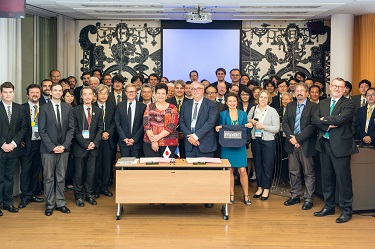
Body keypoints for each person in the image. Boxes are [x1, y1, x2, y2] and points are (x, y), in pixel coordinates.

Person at [312, 77, 358, 223]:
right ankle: (329, 206)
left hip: (340, 147)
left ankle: (346, 210)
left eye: (341, 86)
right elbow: (314, 120)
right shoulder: (323, 103)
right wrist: (327, 123)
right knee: (327, 178)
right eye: (335, 86)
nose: (338, 89)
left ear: (345, 89)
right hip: (324, 144)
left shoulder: (349, 103)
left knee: (343, 179)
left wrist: (324, 119)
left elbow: (341, 119)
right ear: (330, 87)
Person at [180, 81, 218, 208]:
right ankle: (190, 195)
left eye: (198, 88)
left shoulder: (211, 105)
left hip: (205, 143)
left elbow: (210, 123)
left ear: (203, 90)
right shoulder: (185, 105)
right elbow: (182, 123)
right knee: (190, 172)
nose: (195, 91)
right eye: (193, 89)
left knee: (206, 173)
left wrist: (195, 136)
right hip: (190, 144)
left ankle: (208, 197)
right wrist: (189, 137)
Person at [39, 83, 75, 216]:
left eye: (60, 90)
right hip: (48, 150)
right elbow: (42, 130)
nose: (58, 92)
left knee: (61, 177)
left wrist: (64, 145)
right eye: (55, 90)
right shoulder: (44, 108)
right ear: (50, 92)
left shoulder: (67, 108)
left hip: (64, 149)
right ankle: (49, 204)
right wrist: (52, 147)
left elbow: (71, 129)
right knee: (48, 178)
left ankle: (60, 203)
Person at [282, 83, 318, 210]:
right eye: (297, 90)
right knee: (293, 171)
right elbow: (285, 123)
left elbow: (313, 125)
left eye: (302, 90)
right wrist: (292, 138)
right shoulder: (290, 105)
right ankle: (295, 195)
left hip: (306, 144)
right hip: (292, 144)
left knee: (308, 172)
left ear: (307, 92)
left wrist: (298, 138)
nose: (299, 93)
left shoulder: (313, 106)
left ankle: (309, 198)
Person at [216, 93, 253, 205]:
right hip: (227, 146)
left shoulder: (243, 114)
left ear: (237, 102)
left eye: (234, 101)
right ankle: (231, 194)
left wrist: (249, 127)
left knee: (242, 171)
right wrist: (218, 128)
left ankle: (246, 195)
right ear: (226, 103)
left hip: (239, 146)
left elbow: (245, 131)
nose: (232, 103)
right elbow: (220, 129)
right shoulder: (222, 114)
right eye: (230, 101)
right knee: (229, 170)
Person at [72, 87, 103, 207]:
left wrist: (94, 143)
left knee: (91, 173)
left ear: (94, 96)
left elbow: (100, 128)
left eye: (90, 94)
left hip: (93, 147)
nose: (87, 97)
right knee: (79, 174)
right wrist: (85, 144)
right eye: (85, 94)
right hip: (80, 147)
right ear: (81, 96)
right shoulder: (75, 110)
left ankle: (89, 195)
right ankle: (78, 196)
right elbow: (74, 130)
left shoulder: (98, 110)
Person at [0, 82, 27, 216]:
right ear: (1, 93)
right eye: (5, 92)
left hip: (14, 150)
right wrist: (3, 144)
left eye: (10, 92)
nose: (8, 94)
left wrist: (14, 144)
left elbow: (23, 128)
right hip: (0, 149)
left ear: (13, 93)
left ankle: (8, 203)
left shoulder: (19, 108)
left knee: (9, 178)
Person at [248, 89, 280, 201]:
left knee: (267, 165)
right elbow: (248, 121)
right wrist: (251, 122)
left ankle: (266, 189)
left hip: (268, 141)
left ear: (269, 99)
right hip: (255, 140)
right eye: (261, 97)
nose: (263, 99)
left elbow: (276, 128)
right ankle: (260, 187)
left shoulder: (272, 111)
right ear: (258, 98)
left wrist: (264, 127)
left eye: (265, 97)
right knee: (258, 164)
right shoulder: (253, 109)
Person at [19, 84, 44, 209]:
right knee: (26, 171)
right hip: (26, 144)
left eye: (37, 92)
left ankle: (33, 193)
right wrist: (20, 141)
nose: (35, 94)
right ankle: (24, 196)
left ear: (40, 94)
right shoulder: (21, 108)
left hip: (41, 144)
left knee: (36, 170)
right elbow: (16, 126)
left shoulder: (44, 108)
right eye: (32, 92)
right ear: (27, 94)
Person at [93, 84, 116, 198]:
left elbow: (114, 122)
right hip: (96, 140)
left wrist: (108, 133)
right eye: (101, 93)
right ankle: (96, 188)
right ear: (96, 95)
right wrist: (99, 134)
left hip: (108, 139)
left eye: (105, 93)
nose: (103, 96)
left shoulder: (112, 106)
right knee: (96, 165)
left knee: (107, 164)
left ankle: (104, 187)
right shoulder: (92, 106)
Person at [143, 84, 179, 157]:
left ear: (166, 95)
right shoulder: (150, 107)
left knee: (166, 167)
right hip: (150, 143)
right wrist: (153, 140)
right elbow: (146, 124)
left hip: (169, 143)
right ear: (155, 94)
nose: (160, 96)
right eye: (158, 93)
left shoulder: (172, 108)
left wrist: (157, 138)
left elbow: (171, 126)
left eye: (163, 94)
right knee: (152, 166)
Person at [116, 84, 147, 157]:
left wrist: (134, 139)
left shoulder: (143, 107)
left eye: (133, 91)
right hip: (124, 142)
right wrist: (124, 138)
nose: (131, 93)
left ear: (136, 93)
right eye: (129, 91)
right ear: (125, 93)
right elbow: (117, 123)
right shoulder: (119, 106)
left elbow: (144, 124)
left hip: (137, 142)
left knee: (136, 166)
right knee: (125, 165)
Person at [238, 87, 255, 181]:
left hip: (250, 134)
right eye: (243, 94)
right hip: (238, 134)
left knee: (248, 156)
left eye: (247, 94)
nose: (245, 96)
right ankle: (239, 176)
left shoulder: (254, 106)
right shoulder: (236, 105)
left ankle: (246, 177)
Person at [61, 89, 76, 190]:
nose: (70, 98)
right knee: (63, 161)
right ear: (63, 97)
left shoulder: (76, 108)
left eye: (71, 96)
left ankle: (69, 180)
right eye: (67, 96)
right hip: (64, 138)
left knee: (71, 161)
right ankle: (63, 182)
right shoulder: (61, 108)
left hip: (75, 138)